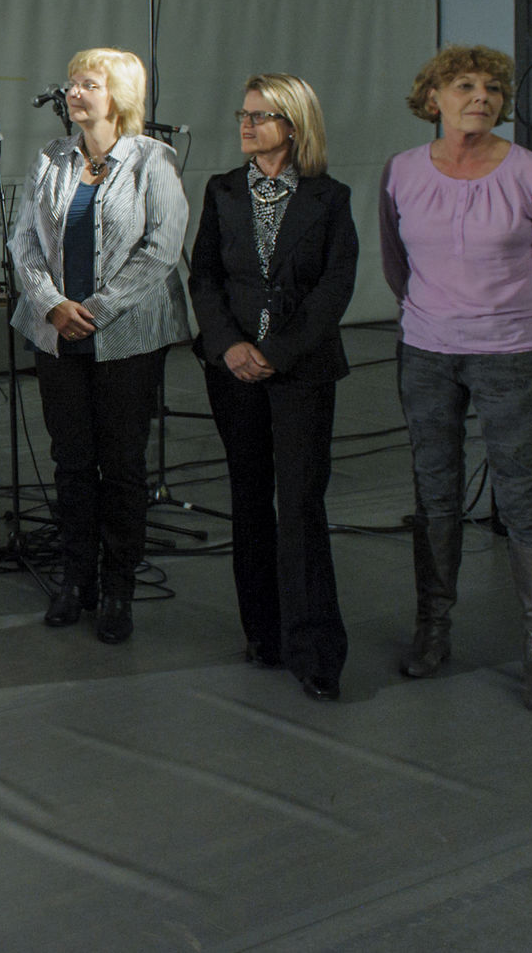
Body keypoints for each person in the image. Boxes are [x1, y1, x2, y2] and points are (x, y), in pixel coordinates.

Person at [381, 44, 532, 712]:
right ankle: (431, 628)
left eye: (492, 87)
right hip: (427, 352)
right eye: (464, 84)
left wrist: (520, 323)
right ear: (431, 96)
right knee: (434, 493)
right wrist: (433, 318)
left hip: (510, 353)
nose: (481, 96)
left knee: (523, 497)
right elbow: (395, 262)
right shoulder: (402, 171)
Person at [11, 47, 191, 644]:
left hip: (127, 339)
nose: (73, 93)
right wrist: (52, 305)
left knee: (121, 465)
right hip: (57, 335)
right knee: (70, 462)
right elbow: (23, 244)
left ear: (119, 95)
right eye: (71, 84)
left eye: (88, 84)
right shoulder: (50, 158)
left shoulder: (151, 160)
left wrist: (97, 310)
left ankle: (118, 587)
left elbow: (162, 249)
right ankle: (74, 578)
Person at [188, 74, 357, 702]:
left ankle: (316, 651)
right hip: (232, 373)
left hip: (301, 372)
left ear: (293, 125)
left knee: (302, 505)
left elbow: (334, 290)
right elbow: (203, 278)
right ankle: (264, 633)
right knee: (250, 500)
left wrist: (275, 352)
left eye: (260, 115)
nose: (246, 124)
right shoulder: (223, 190)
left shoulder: (329, 198)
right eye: (244, 113)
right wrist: (231, 345)